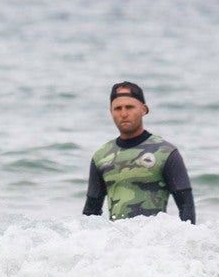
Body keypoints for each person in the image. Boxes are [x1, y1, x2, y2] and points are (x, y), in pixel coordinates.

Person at [83, 81, 196, 223]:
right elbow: (90, 213)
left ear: (143, 109)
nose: (124, 113)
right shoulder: (101, 156)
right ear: (111, 112)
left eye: (129, 107)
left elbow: (186, 207)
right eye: (118, 108)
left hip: (153, 242)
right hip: (117, 242)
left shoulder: (165, 152)